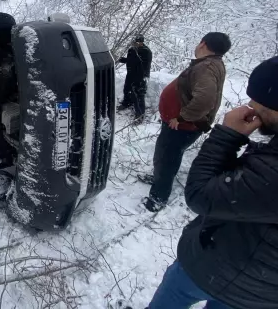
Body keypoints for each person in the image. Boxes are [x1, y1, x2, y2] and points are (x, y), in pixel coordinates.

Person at [148, 56, 278, 309]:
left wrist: (226, 136)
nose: (251, 104)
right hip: (258, 287)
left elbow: (200, 193)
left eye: (260, 99)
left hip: (224, 272)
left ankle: (158, 196)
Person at [140, 33, 231, 212]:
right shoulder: (213, 64)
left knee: (167, 158)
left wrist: (181, 117)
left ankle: (158, 197)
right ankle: (159, 179)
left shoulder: (205, 67)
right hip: (183, 125)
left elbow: (205, 100)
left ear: (203, 43)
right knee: (165, 155)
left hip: (183, 126)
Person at [117, 35, 152, 122]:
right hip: (131, 73)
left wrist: (128, 58)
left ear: (142, 42)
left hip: (141, 75)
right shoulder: (132, 50)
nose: (136, 43)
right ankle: (126, 103)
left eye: (138, 42)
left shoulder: (146, 51)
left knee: (139, 95)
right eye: (135, 42)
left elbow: (138, 61)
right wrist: (122, 59)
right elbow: (131, 59)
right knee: (127, 89)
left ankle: (140, 115)